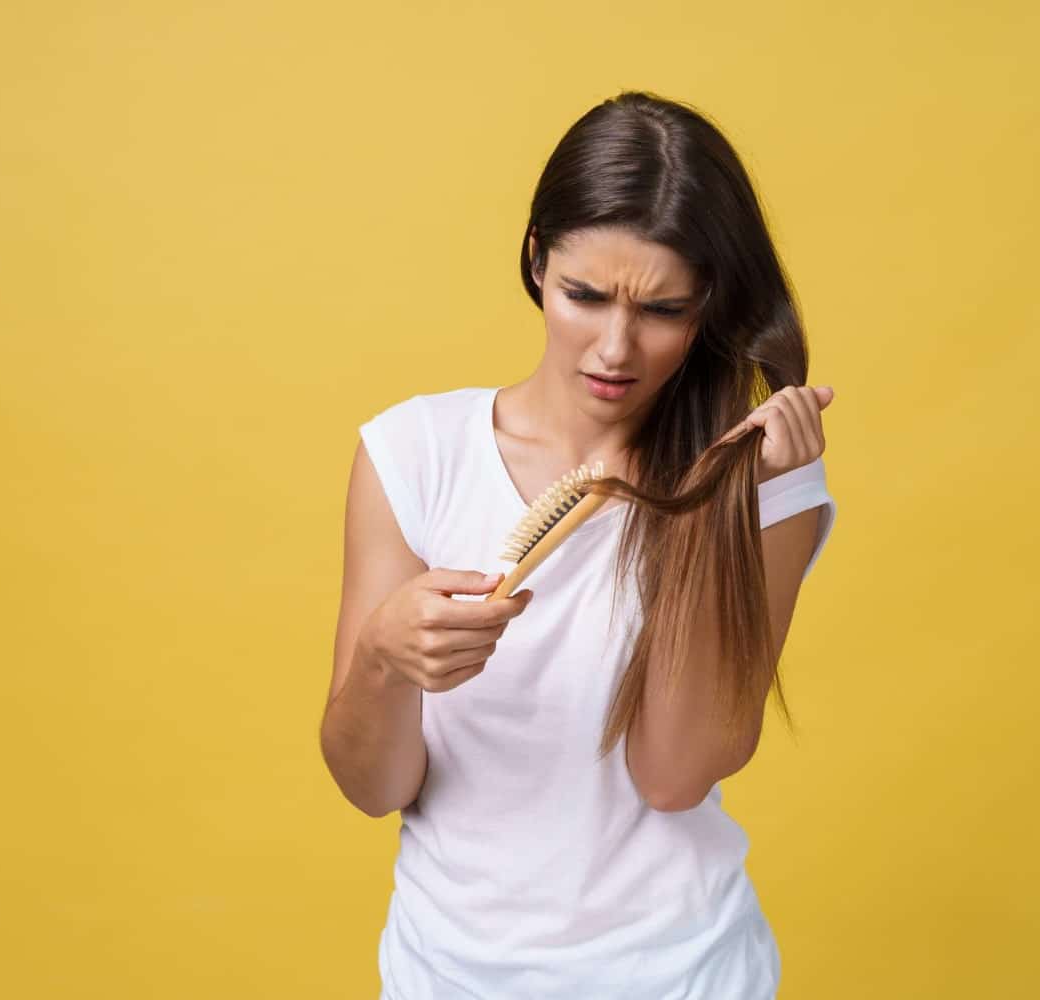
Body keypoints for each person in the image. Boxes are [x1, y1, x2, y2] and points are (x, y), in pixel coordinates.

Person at [321, 90, 838, 999]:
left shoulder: (764, 476)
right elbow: (373, 786)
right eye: (584, 295)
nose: (614, 347)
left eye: (663, 310)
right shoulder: (413, 453)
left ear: (710, 302)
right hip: (449, 976)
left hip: (684, 975)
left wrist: (717, 506)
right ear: (535, 259)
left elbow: (673, 775)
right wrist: (382, 658)